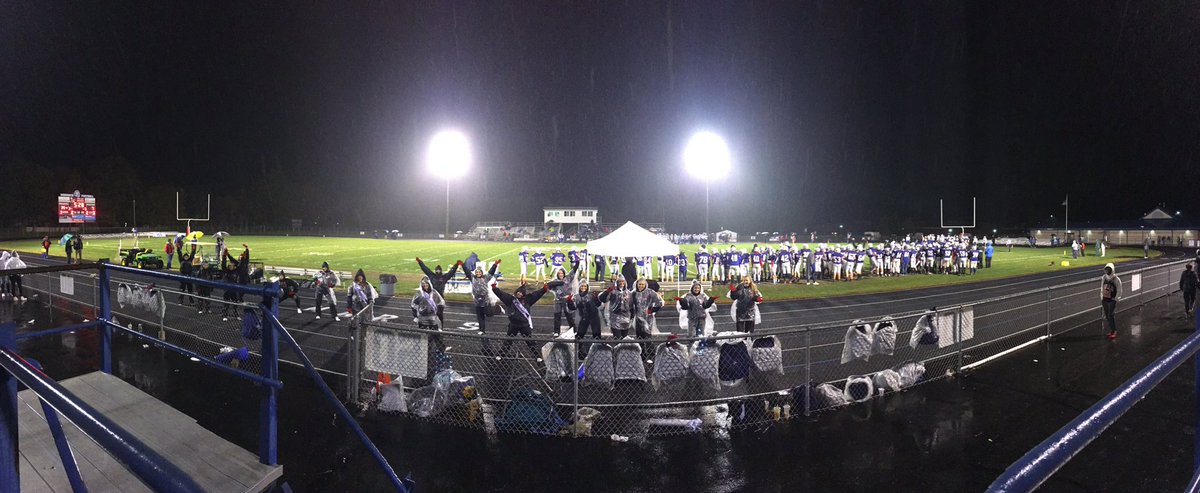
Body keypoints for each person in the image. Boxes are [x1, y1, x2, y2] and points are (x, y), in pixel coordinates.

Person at [491, 280, 550, 359]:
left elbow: (536, 294)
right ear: (516, 292)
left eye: (521, 293)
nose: (519, 294)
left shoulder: (528, 300)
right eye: (518, 292)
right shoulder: (511, 300)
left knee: (530, 341)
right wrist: (495, 288)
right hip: (513, 325)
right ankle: (500, 355)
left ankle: (537, 356)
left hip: (524, 325)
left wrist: (544, 289)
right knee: (508, 341)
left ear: (523, 294)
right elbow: (501, 294)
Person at [415, 257, 462, 326]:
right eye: (436, 270)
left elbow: (451, 272)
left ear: (441, 271)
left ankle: (440, 326)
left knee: (439, 314)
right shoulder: (432, 276)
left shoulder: (444, 277)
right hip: (432, 298)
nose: (437, 271)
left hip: (440, 299)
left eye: (439, 270)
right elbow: (425, 269)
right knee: (431, 314)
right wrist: (420, 262)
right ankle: (432, 326)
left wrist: (456, 265)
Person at [566, 281, 603, 357]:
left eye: (585, 286)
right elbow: (572, 308)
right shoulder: (577, 296)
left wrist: (597, 298)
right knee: (580, 334)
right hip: (584, 317)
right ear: (579, 287)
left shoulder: (591, 295)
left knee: (596, 334)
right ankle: (577, 351)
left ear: (587, 287)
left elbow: (598, 305)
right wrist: (569, 301)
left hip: (594, 316)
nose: (583, 288)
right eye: (582, 286)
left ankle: (598, 352)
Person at [630, 278, 664, 362]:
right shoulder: (633, 293)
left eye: (643, 284)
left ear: (645, 285)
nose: (641, 286)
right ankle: (642, 355)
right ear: (637, 285)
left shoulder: (650, 292)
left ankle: (652, 355)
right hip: (638, 318)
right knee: (639, 337)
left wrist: (652, 310)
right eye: (639, 284)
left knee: (647, 336)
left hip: (648, 318)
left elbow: (660, 302)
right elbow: (629, 304)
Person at [411, 276, 447, 351]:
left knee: (436, 334)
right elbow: (413, 305)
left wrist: (439, 311)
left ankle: (441, 349)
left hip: (433, 318)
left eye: (426, 284)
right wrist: (416, 314)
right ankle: (424, 349)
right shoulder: (419, 293)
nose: (425, 285)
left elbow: (441, 302)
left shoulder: (434, 292)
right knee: (423, 335)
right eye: (423, 284)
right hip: (422, 318)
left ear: (429, 284)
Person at [467, 260, 502, 335]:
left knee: (489, 314)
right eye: (477, 272)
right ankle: (482, 330)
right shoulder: (473, 278)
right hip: (477, 301)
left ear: (482, 273)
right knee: (480, 316)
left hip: (485, 300)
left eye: (479, 272)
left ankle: (498, 308)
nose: (478, 273)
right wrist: (463, 265)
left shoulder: (485, 278)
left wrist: (495, 264)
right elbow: (467, 272)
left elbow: (491, 272)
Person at [549, 264, 579, 335]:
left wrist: (577, 261)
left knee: (569, 316)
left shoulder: (568, 278)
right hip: (558, 301)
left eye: (562, 273)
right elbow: (548, 286)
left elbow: (574, 270)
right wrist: (557, 283)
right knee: (557, 316)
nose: (560, 274)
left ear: (564, 273)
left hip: (567, 300)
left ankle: (574, 330)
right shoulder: (555, 281)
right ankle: (556, 331)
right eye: (559, 273)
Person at [1100, 263, 1122, 340]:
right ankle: (1112, 330)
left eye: (1109, 269)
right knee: (1107, 316)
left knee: (1110, 315)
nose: (1107, 271)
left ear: (1112, 270)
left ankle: (1114, 331)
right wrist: (1101, 297)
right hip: (1105, 299)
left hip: (1112, 300)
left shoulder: (1116, 279)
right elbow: (1101, 287)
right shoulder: (1104, 277)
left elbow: (1119, 290)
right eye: (1106, 269)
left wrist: (1116, 299)